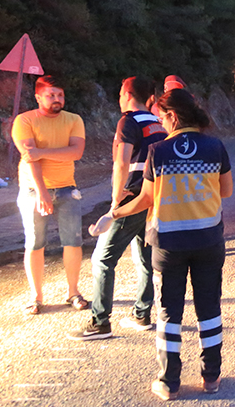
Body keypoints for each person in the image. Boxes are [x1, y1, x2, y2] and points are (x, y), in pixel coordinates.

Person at [111, 89, 231, 400]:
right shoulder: (215, 147)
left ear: (173, 117)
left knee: (169, 311)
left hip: (169, 244)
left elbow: (146, 199)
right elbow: (227, 190)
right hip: (208, 240)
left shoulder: (159, 151)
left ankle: (169, 381)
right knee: (209, 308)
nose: (161, 123)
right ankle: (212, 377)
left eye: (162, 117)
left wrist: (115, 212)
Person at [68, 77, 166, 340]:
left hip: (131, 198)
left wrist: (114, 205)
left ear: (125, 94)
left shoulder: (129, 121)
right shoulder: (158, 123)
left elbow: (122, 162)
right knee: (144, 259)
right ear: (151, 98)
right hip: (152, 199)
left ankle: (100, 322)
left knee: (102, 260)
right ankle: (142, 314)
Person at [12, 75, 88, 315]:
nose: (57, 99)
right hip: (34, 190)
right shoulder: (24, 120)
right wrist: (42, 192)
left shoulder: (74, 119)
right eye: (51, 95)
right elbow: (29, 159)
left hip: (67, 188)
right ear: (38, 97)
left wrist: (41, 151)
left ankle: (73, 292)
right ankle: (36, 297)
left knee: (73, 242)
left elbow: (76, 152)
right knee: (35, 243)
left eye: (60, 95)